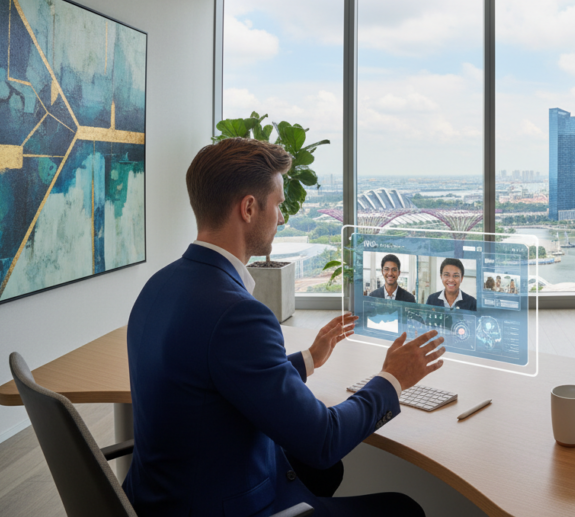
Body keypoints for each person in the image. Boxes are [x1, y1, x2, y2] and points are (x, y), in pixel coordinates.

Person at [123, 138, 444, 516]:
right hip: (221, 505)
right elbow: (323, 440)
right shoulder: (238, 314)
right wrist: (393, 378)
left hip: (164, 496)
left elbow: (219, 381)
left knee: (322, 475)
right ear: (248, 208)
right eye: (277, 205)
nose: (281, 218)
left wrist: (309, 359)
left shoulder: (159, 285)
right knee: (401, 509)